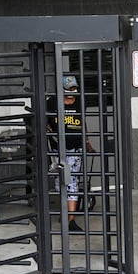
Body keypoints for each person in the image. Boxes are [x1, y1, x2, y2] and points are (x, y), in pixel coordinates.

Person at [46, 76, 93, 232]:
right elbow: (45, 121)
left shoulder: (80, 102)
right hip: (57, 149)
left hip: (75, 148)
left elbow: (82, 121)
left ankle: (70, 219)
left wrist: (87, 142)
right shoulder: (51, 102)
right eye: (70, 89)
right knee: (60, 182)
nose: (73, 91)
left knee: (72, 181)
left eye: (74, 88)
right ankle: (66, 213)